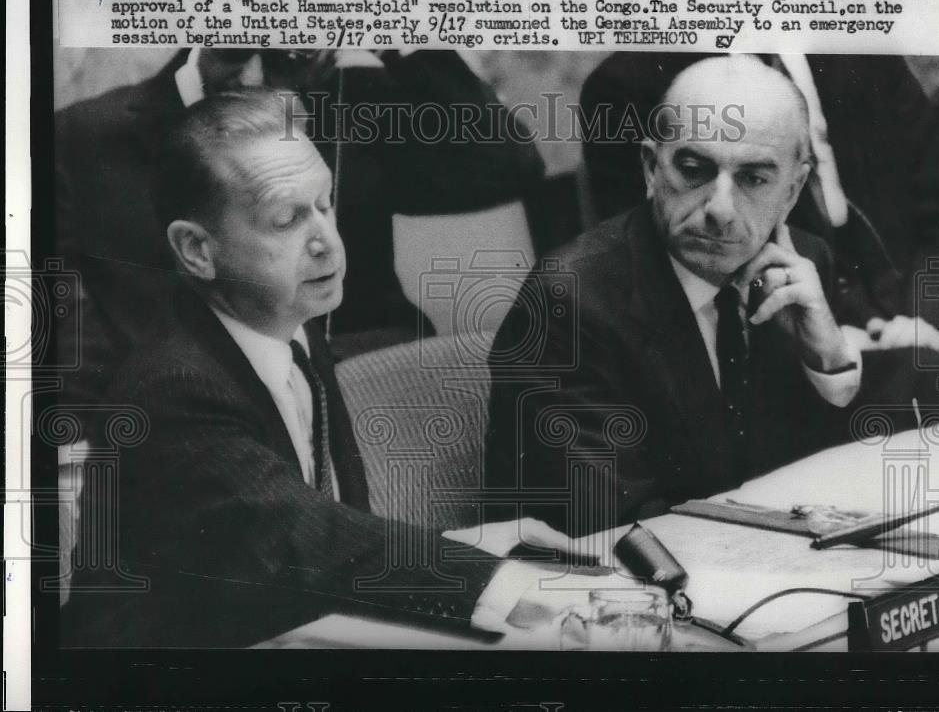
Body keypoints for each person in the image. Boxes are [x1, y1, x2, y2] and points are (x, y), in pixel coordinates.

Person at [59, 89, 625, 648]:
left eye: (325, 205)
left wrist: (466, 547)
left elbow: (316, 537)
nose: (328, 244)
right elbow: (306, 539)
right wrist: (497, 582)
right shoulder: (175, 386)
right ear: (196, 251)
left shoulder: (292, 323)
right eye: (286, 221)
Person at [485, 57, 864, 536]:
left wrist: (826, 359)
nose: (720, 211)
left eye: (753, 179)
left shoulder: (802, 267)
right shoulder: (569, 303)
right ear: (651, 168)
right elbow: (618, 530)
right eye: (694, 170)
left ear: (791, 191)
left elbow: (838, 480)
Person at [54, 47, 545, 405]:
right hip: (188, 411)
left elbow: (505, 168)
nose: (257, 78)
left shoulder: (355, 103)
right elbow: (69, 323)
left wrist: (399, 33)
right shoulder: (87, 134)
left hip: (364, 384)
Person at [578, 52, 939, 336]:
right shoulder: (628, 84)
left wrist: (924, 321)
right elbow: (662, 273)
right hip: (775, 343)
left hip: (919, 310)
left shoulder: (865, 53)